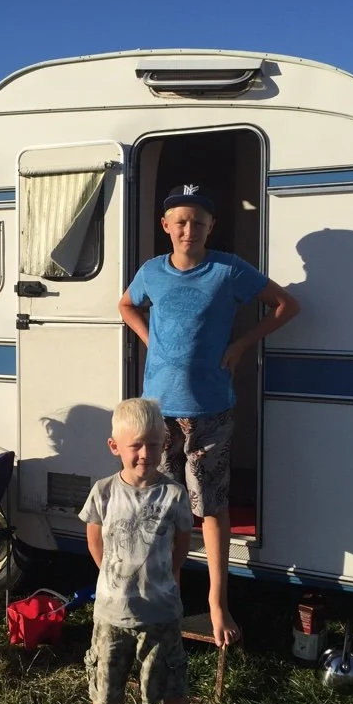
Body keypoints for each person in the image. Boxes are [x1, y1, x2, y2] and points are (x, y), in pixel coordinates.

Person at [118, 183, 300, 649]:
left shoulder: (228, 270)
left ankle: (218, 604)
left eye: (198, 222)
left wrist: (240, 345)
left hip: (210, 410)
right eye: (180, 221)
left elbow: (286, 305)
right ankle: (169, 594)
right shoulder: (151, 272)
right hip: (158, 412)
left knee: (212, 510)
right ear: (165, 226)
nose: (188, 229)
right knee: (163, 509)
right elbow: (125, 304)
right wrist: (150, 340)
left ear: (211, 227)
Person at [78, 397, 194, 704]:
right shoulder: (103, 492)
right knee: (104, 689)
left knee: (172, 686)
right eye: (136, 445)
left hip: (161, 612)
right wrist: (112, 576)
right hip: (112, 613)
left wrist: (167, 575)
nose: (145, 454)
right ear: (115, 446)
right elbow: (95, 540)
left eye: (154, 445)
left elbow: (181, 545)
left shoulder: (174, 495)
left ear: (165, 445)